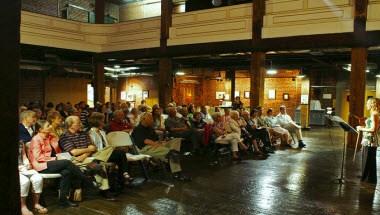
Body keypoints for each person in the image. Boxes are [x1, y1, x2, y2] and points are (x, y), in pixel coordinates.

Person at [29, 120, 85, 207]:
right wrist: (56, 158)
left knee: (67, 172)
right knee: (67, 163)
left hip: (53, 163)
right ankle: (83, 178)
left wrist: (55, 138)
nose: (51, 126)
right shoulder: (36, 139)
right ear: (40, 129)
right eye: (48, 126)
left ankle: (63, 201)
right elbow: (38, 158)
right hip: (41, 165)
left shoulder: (50, 137)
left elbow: (58, 150)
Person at [59, 116, 115, 200]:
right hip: (75, 159)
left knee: (110, 148)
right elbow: (74, 152)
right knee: (100, 165)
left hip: (88, 157)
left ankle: (97, 162)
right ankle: (105, 190)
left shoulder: (83, 133)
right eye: (78, 123)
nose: (81, 124)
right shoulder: (64, 136)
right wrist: (88, 150)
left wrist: (85, 154)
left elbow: (93, 147)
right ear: (71, 125)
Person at [132, 113, 190, 181]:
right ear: (144, 119)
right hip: (146, 148)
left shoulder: (150, 128)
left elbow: (156, 139)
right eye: (150, 118)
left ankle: (170, 158)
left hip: (155, 146)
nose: (152, 120)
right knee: (172, 154)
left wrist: (163, 141)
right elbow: (145, 141)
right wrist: (158, 144)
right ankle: (177, 173)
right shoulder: (138, 129)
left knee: (176, 140)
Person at [88, 112, 132, 184]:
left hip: (106, 152)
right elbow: (94, 148)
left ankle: (122, 178)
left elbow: (107, 145)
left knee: (121, 154)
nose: (104, 123)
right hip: (98, 154)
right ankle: (124, 176)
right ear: (97, 121)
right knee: (121, 154)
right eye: (102, 121)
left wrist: (112, 148)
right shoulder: (91, 133)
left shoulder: (102, 132)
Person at [18, 141, 47, 215]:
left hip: (23, 168)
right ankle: (23, 207)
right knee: (25, 181)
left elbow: (24, 155)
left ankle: (36, 204)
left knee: (38, 178)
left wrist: (27, 163)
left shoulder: (20, 142)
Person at [357, 98, 380, 184]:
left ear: (372, 104)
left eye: (367, 103)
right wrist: (363, 123)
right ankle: (370, 178)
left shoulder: (375, 114)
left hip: (371, 140)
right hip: (368, 139)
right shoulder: (374, 114)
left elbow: (374, 129)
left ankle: (366, 178)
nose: (366, 105)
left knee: (367, 159)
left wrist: (361, 128)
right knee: (369, 159)